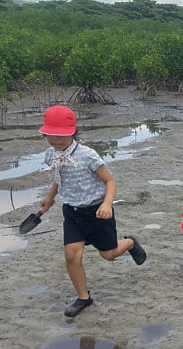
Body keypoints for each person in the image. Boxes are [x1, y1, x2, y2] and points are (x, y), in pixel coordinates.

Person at [36, 105, 146, 317]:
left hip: (97, 212)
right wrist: (50, 197)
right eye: (51, 135)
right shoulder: (51, 155)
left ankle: (130, 242)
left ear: (73, 133)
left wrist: (106, 204)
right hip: (72, 213)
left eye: (61, 136)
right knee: (71, 256)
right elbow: (60, 178)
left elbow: (110, 181)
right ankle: (84, 297)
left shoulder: (88, 155)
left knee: (109, 254)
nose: (55, 140)